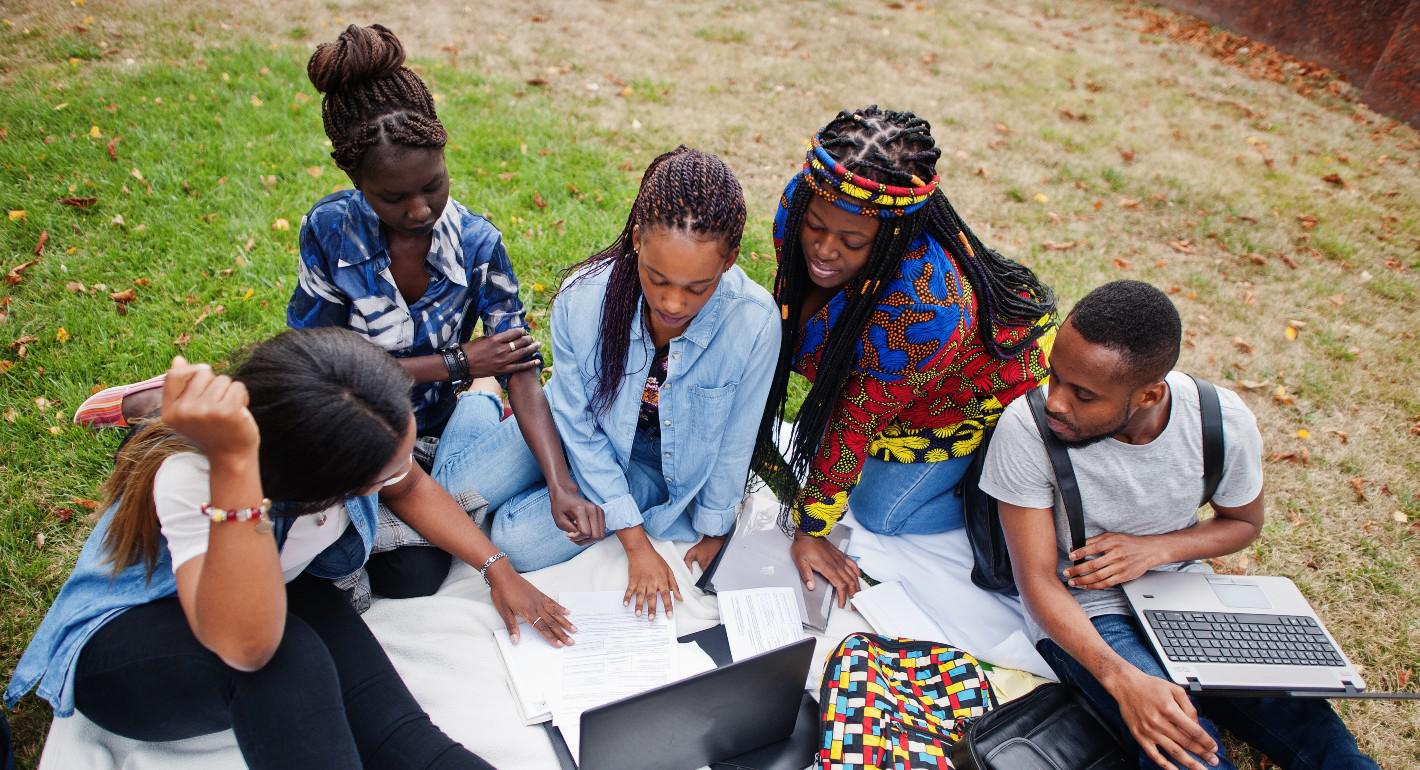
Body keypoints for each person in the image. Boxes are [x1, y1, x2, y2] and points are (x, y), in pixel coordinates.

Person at [73, 24, 600, 600]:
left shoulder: (478, 244)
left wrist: (559, 485)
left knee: (419, 568)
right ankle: (180, 398)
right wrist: (457, 362)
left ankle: (465, 442)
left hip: (432, 433)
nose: (420, 208)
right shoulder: (329, 232)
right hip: (348, 434)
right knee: (405, 571)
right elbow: (320, 370)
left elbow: (519, 366)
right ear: (355, 181)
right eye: (393, 198)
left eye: (433, 185)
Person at [6, 328, 575, 769]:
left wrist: (496, 568)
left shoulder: (347, 427)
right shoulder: (194, 476)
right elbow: (247, 647)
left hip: (273, 584)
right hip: (132, 639)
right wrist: (233, 469)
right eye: (376, 477)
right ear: (316, 483)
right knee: (286, 662)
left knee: (401, 738)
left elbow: (412, 484)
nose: (399, 476)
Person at [978, 280, 1377, 770]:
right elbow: (1037, 580)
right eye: (1054, 376)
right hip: (1087, 612)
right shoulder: (1027, 428)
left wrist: (1155, 550)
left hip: (1186, 597)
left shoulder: (1222, 421)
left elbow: (1243, 524)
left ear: (1149, 394)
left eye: (1083, 394)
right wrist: (1122, 678)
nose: (1056, 401)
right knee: (1184, 747)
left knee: (1315, 733)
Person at [435, 146, 779, 619]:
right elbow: (577, 422)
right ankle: (484, 395)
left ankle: (509, 443)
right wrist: (636, 545)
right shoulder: (583, 298)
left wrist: (715, 528)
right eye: (658, 279)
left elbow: (736, 440)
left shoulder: (755, 322)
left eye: (696, 288)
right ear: (637, 238)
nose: (674, 303)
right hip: (572, 429)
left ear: (729, 260)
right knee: (451, 494)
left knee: (515, 539)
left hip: (654, 464)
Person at [755, 106, 1056, 605]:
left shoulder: (928, 308)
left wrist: (810, 529)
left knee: (879, 514)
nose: (824, 250)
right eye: (815, 227)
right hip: (902, 384)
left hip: (960, 402)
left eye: (852, 242)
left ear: (896, 235)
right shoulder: (809, 195)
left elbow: (854, 420)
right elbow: (787, 315)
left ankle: (995, 488)